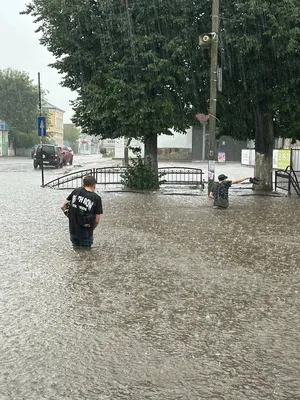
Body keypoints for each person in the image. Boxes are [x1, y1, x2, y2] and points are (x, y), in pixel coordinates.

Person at [61, 175, 103, 248]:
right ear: (94, 185)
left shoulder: (76, 191)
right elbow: (97, 220)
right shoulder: (96, 198)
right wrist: (91, 229)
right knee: (87, 256)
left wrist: (69, 216)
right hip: (86, 234)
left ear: (84, 184)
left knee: (77, 252)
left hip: (73, 231)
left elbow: (63, 206)